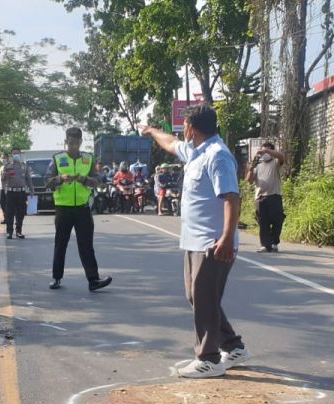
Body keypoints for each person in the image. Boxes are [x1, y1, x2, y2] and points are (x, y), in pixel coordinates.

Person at [140, 104, 250, 378]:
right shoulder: (196, 152)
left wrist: (226, 238)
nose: (181, 132)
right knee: (198, 297)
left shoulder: (217, 155)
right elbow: (170, 143)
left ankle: (209, 358)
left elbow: (232, 198)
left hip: (212, 243)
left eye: (184, 126)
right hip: (195, 240)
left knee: (204, 298)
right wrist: (152, 130)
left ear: (191, 127)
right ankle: (233, 347)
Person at [44, 127, 113, 292]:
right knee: (60, 244)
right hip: (63, 209)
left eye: (76, 143)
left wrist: (86, 179)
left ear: (81, 142)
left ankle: (93, 280)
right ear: (66, 142)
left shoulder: (88, 159)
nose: (73, 146)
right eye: (70, 143)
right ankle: (56, 278)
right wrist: (60, 178)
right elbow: (47, 181)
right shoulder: (57, 159)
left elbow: (97, 180)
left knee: (86, 245)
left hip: (82, 208)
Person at [246, 142, 287, 253]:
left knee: (277, 220)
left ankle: (274, 243)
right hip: (260, 197)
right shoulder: (257, 165)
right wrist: (250, 168)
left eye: (267, 151)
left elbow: (281, 156)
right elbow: (249, 180)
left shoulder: (275, 162)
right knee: (263, 222)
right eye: (263, 151)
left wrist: (266, 151)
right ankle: (265, 245)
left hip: (274, 196)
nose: (264, 154)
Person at [0, 147, 33, 239]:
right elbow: (3, 179)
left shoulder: (24, 166)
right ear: (11, 155)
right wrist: (5, 175)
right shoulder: (8, 166)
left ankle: (19, 231)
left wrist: (31, 190)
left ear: (20, 154)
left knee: (21, 213)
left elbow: (28, 179)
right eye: (14, 154)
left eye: (17, 153)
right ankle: (9, 232)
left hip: (22, 192)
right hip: (11, 192)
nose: (16, 155)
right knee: (9, 213)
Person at [0, 152, 10, 225]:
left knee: (8, 204)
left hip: (8, 187)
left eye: (4, 157)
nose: (3, 159)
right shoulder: (1, 167)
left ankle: (9, 218)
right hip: (1, 188)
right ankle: (6, 217)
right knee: (1, 202)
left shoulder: (11, 166)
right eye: (2, 158)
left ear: (8, 158)